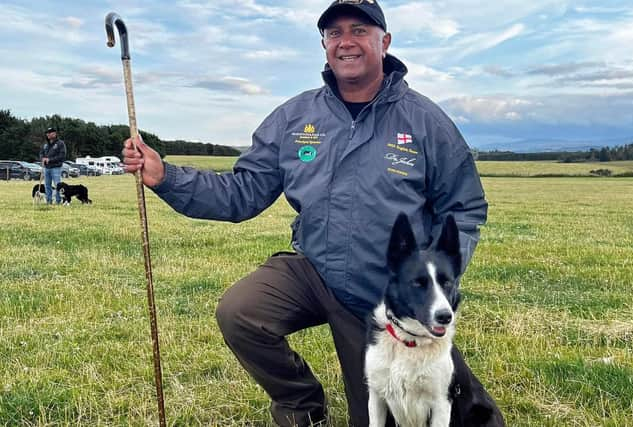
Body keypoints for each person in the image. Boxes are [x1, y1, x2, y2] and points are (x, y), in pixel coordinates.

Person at [122, 1, 489, 425]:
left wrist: (433, 282)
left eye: (359, 30)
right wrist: (166, 175)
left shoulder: (425, 121)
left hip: (382, 293)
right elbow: (242, 192)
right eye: (334, 34)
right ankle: (302, 406)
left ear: (384, 42)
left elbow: (464, 206)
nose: (346, 42)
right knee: (241, 312)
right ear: (324, 45)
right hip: (312, 267)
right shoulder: (295, 117)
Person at [40, 127, 67, 205]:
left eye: (49, 132)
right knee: (47, 185)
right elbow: (41, 153)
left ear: (54, 133)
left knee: (57, 185)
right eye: (47, 133)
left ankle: (58, 201)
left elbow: (62, 156)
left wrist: (50, 160)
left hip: (56, 167)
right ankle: (49, 201)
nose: (47, 134)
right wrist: (42, 158)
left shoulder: (60, 143)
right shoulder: (45, 145)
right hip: (46, 168)